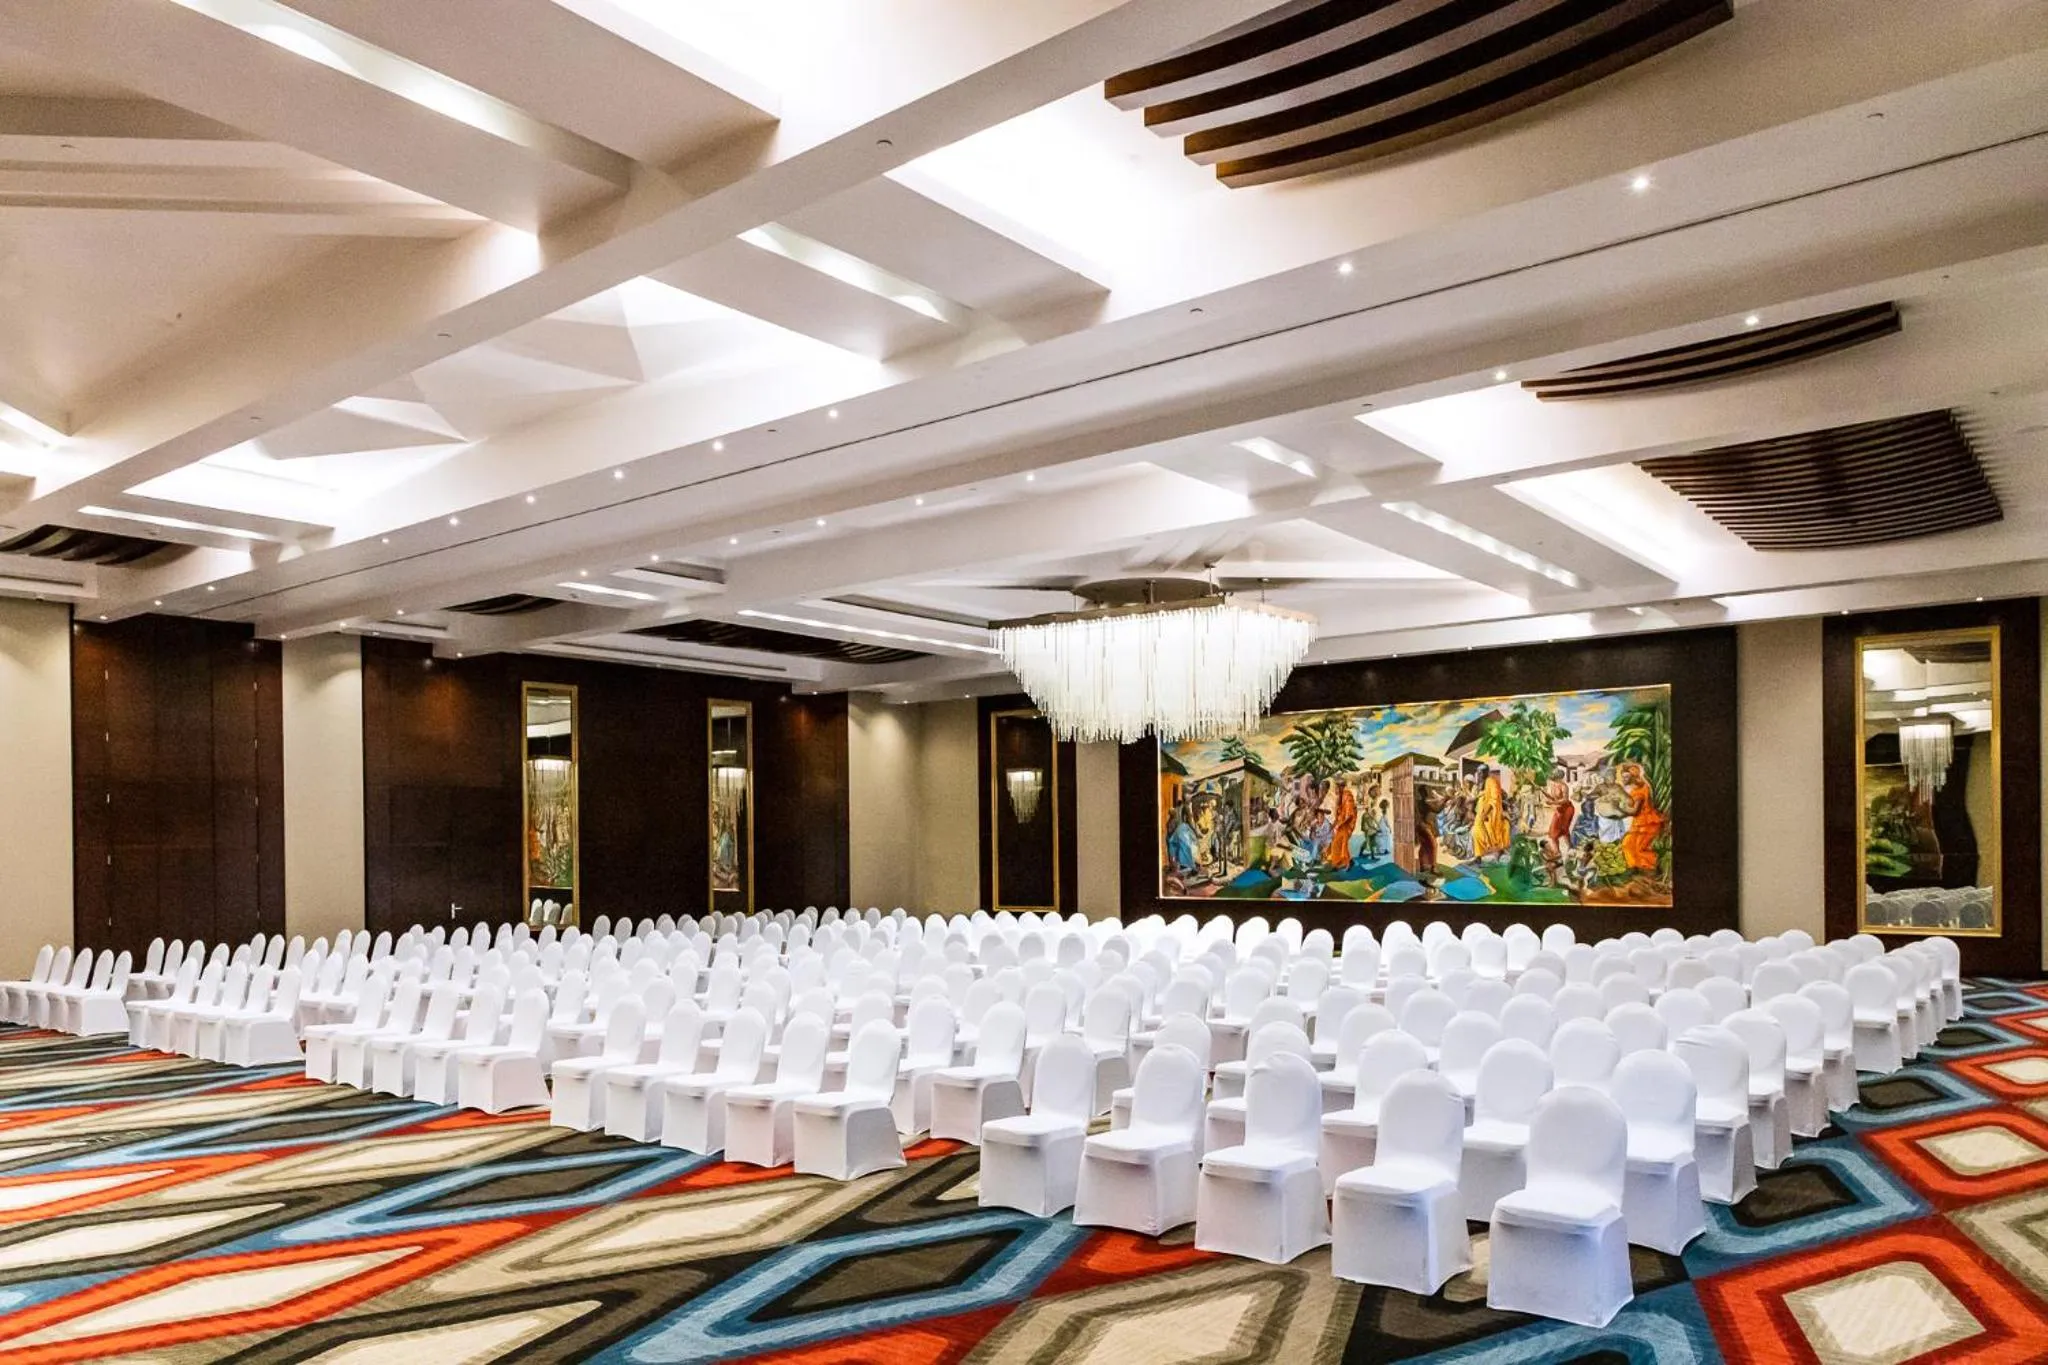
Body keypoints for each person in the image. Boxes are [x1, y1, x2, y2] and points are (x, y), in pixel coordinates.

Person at [1619, 763, 1664, 874]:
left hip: (1647, 823)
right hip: (1639, 823)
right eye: (1622, 776)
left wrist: (1619, 809)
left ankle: (1654, 867)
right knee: (1627, 844)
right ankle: (1635, 868)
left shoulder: (1640, 790)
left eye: (1626, 777)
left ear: (1633, 777)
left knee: (1639, 849)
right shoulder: (1636, 789)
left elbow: (1635, 811)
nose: (1623, 779)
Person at [1471, 764, 1511, 861]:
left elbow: (1494, 799)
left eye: (1481, 772)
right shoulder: (1481, 783)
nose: (1479, 774)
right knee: (1476, 831)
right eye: (1478, 772)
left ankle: (1492, 852)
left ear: (1486, 772)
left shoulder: (1491, 781)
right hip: (1480, 811)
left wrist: (1486, 813)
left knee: (1482, 831)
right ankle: (1478, 856)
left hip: (1490, 813)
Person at [1325, 777, 1359, 870]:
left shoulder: (1347, 795)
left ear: (1342, 787)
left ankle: (1345, 862)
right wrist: (1335, 824)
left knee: (1341, 841)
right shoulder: (1339, 795)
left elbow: (1349, 814)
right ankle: (1338, 862)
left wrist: (1340, 824)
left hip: (1346, 824)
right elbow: (1338, 813)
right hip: (1340, 823)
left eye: (1338, 786)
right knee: (1335, 841)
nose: (1337, 789)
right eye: (1336, 786)